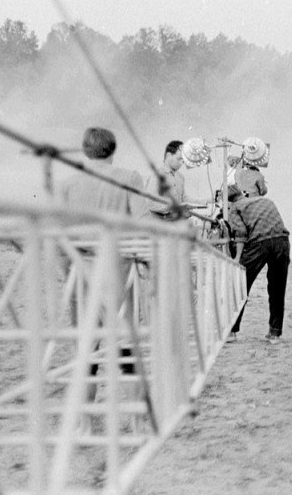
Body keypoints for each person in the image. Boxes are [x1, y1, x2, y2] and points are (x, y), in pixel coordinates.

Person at [57, 127, 146, 430]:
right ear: (112, 149)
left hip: (80, 278)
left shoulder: (68, 185)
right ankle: (136, 422)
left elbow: (60, 239)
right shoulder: (130, 178)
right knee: (126, 351)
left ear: (85, 150)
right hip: (117, 275)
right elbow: (143, 227)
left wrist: (68, 272)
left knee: (86, 352)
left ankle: (84, 424)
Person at [227, 193, 290, 344]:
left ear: (229, 201)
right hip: (282, 241)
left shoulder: (234, 208)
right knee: (277, 288)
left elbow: (240, 235)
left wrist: (237, 258)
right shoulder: (265, 200)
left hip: (260, 243)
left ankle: (231, 332)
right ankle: (274, 333)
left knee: (242, 284)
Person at [147, 140, 205, 218]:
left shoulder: (180, 177)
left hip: (177, 222)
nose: (181, 163)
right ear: (168, 156)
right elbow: (151, 204)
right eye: (179, 159)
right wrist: (176, 208)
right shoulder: (156, 176)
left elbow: (184, 199)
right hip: (161, 223)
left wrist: (208, 201)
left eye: (183, 161)